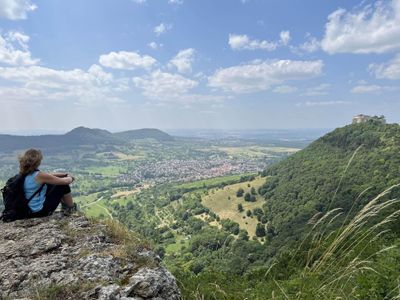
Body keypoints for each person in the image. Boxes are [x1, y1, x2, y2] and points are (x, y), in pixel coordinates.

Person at [19, 148, 77, 217]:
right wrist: (71, 177)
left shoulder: (24, 174)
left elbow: (48, 175)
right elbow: (65, 181)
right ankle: (71, 209)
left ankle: (68, 208)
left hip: (27, 211)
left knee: (50, 183)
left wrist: (64, 174)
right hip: (39, 211)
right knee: (63, 186)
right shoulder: (39, 175)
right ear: (37, 162)